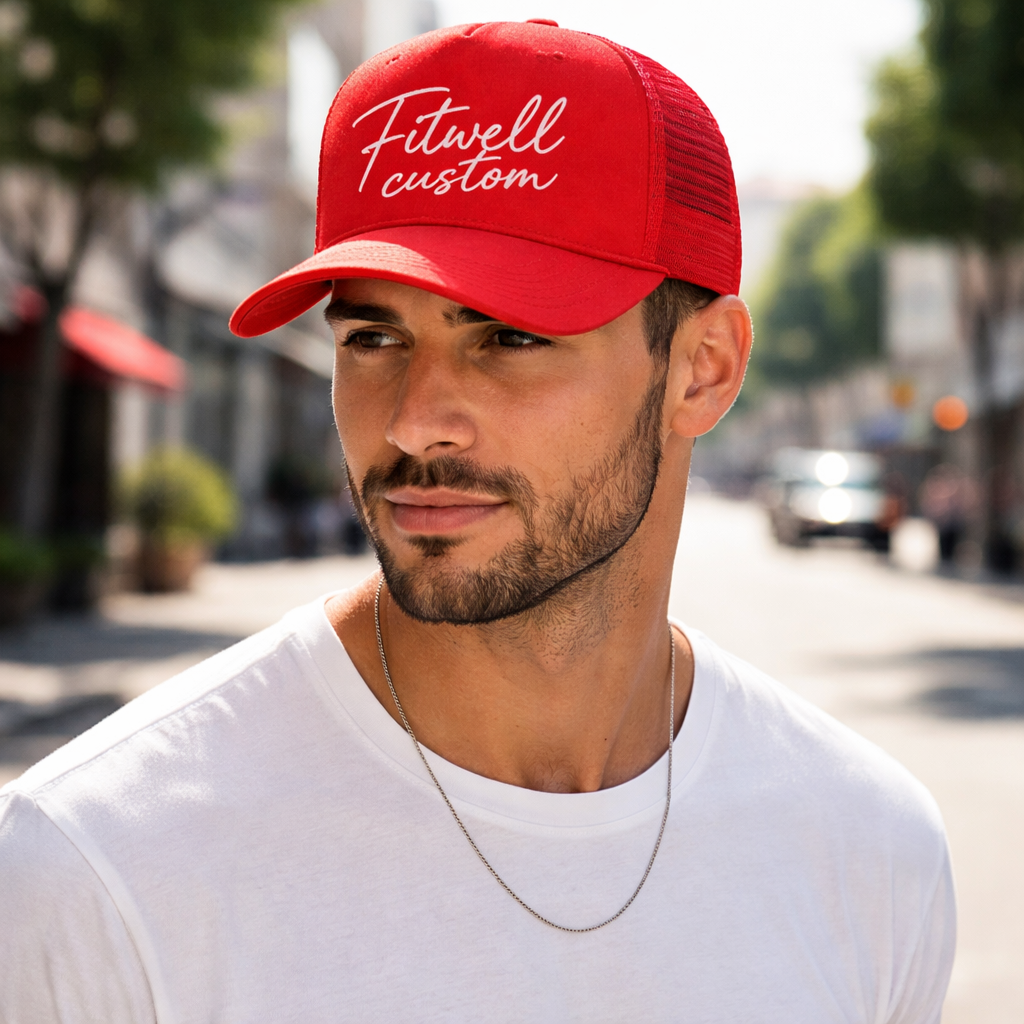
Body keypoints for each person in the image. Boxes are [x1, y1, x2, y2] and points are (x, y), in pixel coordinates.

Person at [0, 20, 955, 1022]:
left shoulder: (868, 851)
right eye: (372, 335)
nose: (413, 418)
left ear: (702, 367)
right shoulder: (98, 865)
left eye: (510, 335)